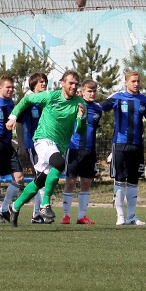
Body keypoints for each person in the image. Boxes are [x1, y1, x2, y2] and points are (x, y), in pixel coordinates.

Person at [6, 71, 86, 226]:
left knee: (40, 181)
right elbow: (27, 100)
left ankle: (14, 206)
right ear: (62, 83)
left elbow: (81, 131)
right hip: (43, 139)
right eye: (70, 83)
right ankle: (45, 205)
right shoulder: (51, 96)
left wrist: (82, 118)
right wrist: (13, 117)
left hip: (60, 146)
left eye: (76, 84)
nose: (74, 86)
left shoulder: (79, 103)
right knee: (59, 163)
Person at [100, 71, 146, 226]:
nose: (136, 84)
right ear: (125, 82)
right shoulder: (118, 97)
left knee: (134, 180)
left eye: (138, 81)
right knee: (120, 179)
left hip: (137, 145)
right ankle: (120, 216)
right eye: (133, 81)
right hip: (120, 144)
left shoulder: (143, 99)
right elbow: (101, 107)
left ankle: (131, 216)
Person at [61, 79, 103, 225]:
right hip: (74, 148)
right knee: (71, 181)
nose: (92, 94)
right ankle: (66, 215)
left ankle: (81, 216)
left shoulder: (98, 109)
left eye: (94, 91)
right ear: (82, 92)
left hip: (90, 150)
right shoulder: (75, 105)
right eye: (89, 91)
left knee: (86, 182)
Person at [0, 75, 23, 223]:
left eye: (12, 87)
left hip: (8, 145)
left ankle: (5, 207)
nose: (10, 89)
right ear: (0, 87)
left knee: (19, 177)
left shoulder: (12, 103)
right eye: (7, 87)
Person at [16, 72, 48, 222]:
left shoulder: (48, 101)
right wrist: (21, 145)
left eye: (45, 81)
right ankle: (38, 213)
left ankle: (38, 213)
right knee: (41, 177)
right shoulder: (28, 102)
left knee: (44, 178)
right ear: (33, 85)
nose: (44, 84)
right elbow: (18, 123)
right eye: (41, 82)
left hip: (48, 144)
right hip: (33, 144)